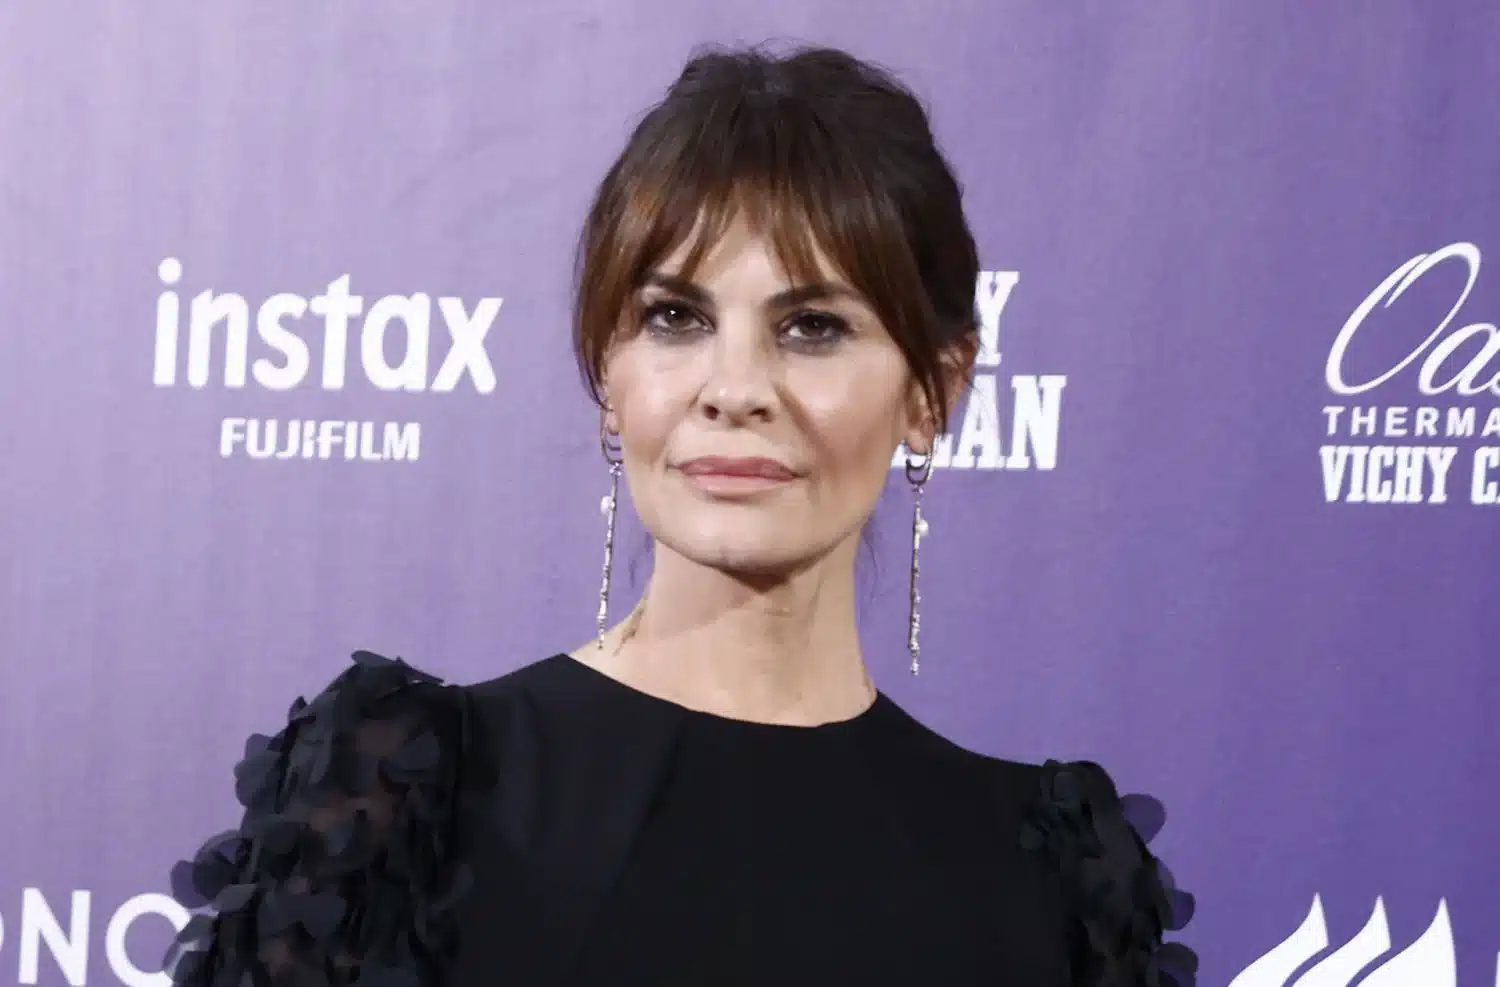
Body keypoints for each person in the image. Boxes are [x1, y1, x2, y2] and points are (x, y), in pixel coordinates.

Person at [166, 43, 1196, 987]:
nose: (734, 388)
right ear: (610, 375)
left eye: (812, 326)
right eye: (676, 317)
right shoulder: (406, 804)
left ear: (933, 389)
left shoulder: (1050, 886)